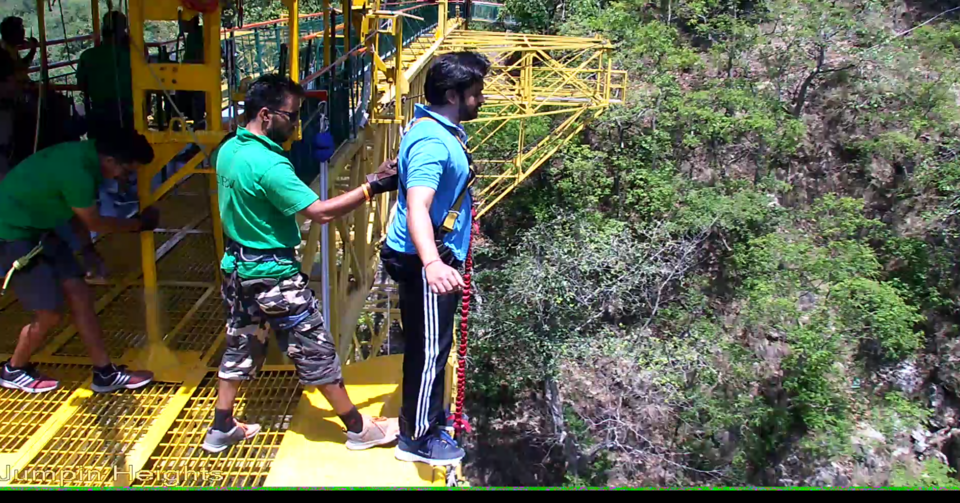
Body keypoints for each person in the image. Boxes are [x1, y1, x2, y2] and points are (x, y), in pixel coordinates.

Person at [203, 73, 402, 453]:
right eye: (291, 116)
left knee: (239, 344)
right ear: (265, 114)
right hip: (273, 276)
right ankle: (359, 428)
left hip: (238, 268)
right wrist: (372, 186)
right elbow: (320, 212)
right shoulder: (270, 166)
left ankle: (221, 426)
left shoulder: (229, 150)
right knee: (315, 349)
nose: (297, 125)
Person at [380, 51, 489, 466]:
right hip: (427, 255)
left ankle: (427, 420)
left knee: (433, 346)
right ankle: (418, 438)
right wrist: (433, 263)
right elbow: (417, 205)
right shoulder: (431, 140)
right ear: (451, 94)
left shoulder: (438, 128)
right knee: (430, 350)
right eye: (475, 94)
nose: (481, 100)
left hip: (434, 250)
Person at [0, 128, 159, 393]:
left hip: (42, 227)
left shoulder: (86, 158)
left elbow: (75, 212)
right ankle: (13, 369)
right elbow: (94, 221)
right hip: (13, 235)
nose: (126, 178)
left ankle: (104, 373)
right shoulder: (77, 171)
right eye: (127, 171)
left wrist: (87, 249)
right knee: (49, 313)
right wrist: (139, 224)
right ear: (110, 160)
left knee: (80, 294)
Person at [0, 16, 37, 87]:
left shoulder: (11, 48)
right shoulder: (2, 54)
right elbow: (14, 79)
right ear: (13, 33)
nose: (24, 32)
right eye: (21, 29)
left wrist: (33, 50)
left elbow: (21, 67)